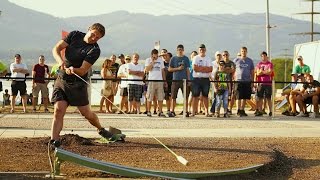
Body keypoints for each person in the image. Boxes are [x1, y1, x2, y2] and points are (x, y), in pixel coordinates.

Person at [50, 23, 125, 148]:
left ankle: (101, 129)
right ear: (89, 30)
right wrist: (60, 62)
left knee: (86, 113)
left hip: (78, 84)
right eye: (93, 34)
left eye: (97, 38)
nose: (94, 38)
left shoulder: (95, 50)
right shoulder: (74, 35)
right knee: (58, 110)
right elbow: (56, 48)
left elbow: (83, 70)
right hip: (62, 80)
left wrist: (73, 69)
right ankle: (54, 141)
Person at [168, 44, 191, 117]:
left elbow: (187, 70)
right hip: (175, 80)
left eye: (181, 50)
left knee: (186, 96)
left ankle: (186, 111)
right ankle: (172, 111)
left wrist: (189, 80)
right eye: (179, 50)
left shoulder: (186, 58)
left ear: (183, 50)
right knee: (173, 96)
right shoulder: (173, 59)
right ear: (177, 50)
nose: (180, 51)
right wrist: (177, 69)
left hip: (184, 80)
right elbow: (169, 69)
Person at [191, 44, 213, 117]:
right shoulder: (195, 58)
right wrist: (204, 68)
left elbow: (210, 69)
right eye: (200, 49)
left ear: (205, 50)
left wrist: (200, 68)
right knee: (195, 96)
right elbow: (195, 68)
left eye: (203, 49)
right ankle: (193, 112)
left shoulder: (208, 58)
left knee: (205, 96)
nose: (202, 51)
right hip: (196, 79)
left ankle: (207, 112)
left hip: (205, 79)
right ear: (198, 50)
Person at [144, 49, 167, 117]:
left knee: (160, 97)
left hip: (159, 81)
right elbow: (147, 70)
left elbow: (162, 71)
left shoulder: (160, 60)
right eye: (154, 56)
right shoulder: (148, 60)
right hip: (151, 81)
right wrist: (153, 62)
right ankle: (148, 111)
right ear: (152, 55)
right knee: (150, 97)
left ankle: (160, 111)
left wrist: (164, 81)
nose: (156, 57)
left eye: (157, 56)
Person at [233, 47, 254, 117]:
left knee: (245, 97)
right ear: (240, 52)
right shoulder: (236, 60)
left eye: (245, 51)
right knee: (238, 96)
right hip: (238, 81)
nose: (243, 52)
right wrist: (233, 79)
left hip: (247, 81)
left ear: (246, 52)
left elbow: (252, 72)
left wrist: (252, 81)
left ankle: (242, 110)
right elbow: (233, 70)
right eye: (242, 51)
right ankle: (238, 110)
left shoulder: (250, 61)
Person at [254, 51, 274, 117]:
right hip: (260, 83)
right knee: (260, 98)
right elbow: (257, 73)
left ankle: (271, 111)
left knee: (268, 98)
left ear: (266, 56)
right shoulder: (259, 64)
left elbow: (270, 72)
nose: (263, 57)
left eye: (264, 56)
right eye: (262, 56)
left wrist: (262, 71)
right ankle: (260, 111)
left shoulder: (270, 64)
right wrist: (265, 71)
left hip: (268, 83)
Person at [222, 51, 236, 115]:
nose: (225, 56)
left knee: (231, 95)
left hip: (230, 81)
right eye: (224, 55)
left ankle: (230, 108)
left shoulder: (232, 63)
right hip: (222, 81)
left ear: (228, 55)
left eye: (226, 55)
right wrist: (228, 69)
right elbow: (221, 70)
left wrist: (226, 69)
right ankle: (225, 109)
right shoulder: (221, 62)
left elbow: (233, 70)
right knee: (224, 96)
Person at [161, 49, 173, 116]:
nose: (165, 56)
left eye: (167, 55)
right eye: (164, 55)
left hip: (171, 80)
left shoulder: (172, 63)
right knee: (165, 96)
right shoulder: (162, 63)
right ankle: (165, 109)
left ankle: (171, 110)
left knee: (171, 96)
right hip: (164, 81)